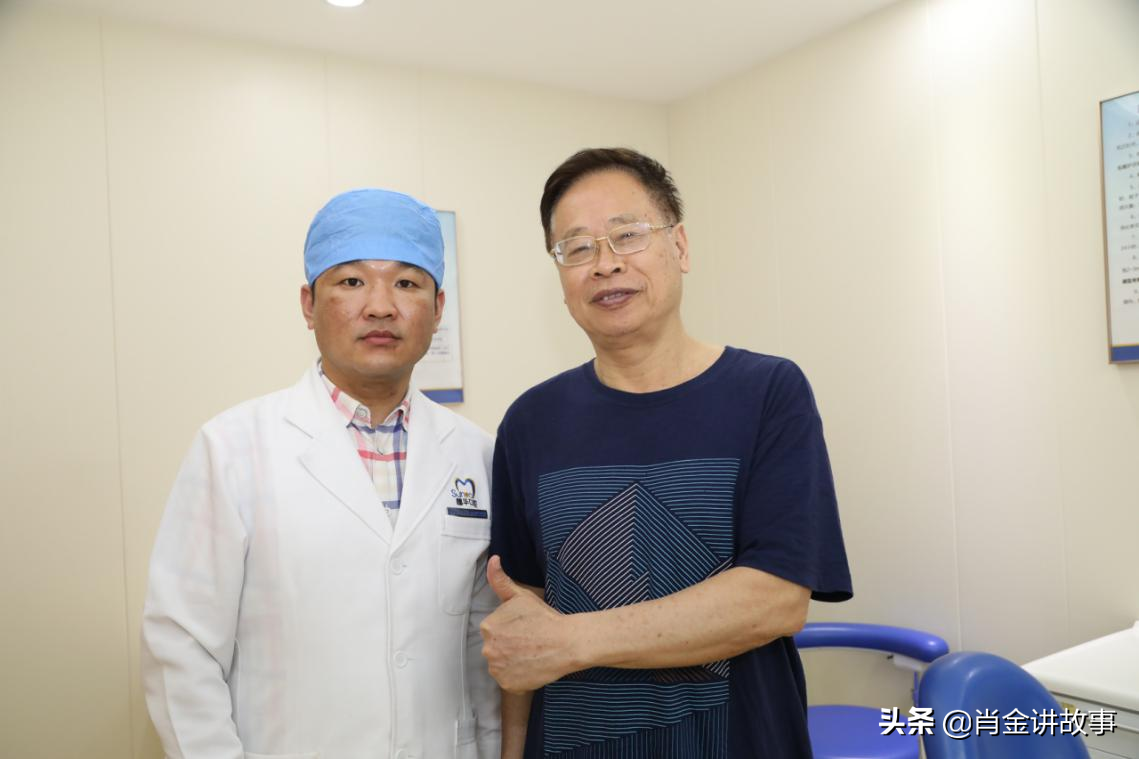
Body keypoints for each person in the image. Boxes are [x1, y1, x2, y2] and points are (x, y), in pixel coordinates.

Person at [481, 148, 852, 758]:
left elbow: (774, 601)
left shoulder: (766, 393)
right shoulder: (530, 422)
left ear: (679, 246)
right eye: (577, 248)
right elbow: (524, 623)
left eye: (627, 235)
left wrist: (572, 642)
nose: (605, 263)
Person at [141, 189, 499, 759]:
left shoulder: (477, 455)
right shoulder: (232, 448)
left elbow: (484, 651)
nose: (380, 306)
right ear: (309, 305)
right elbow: (181, 649)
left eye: (407, 283)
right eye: (352, 282)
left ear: (438, 308)